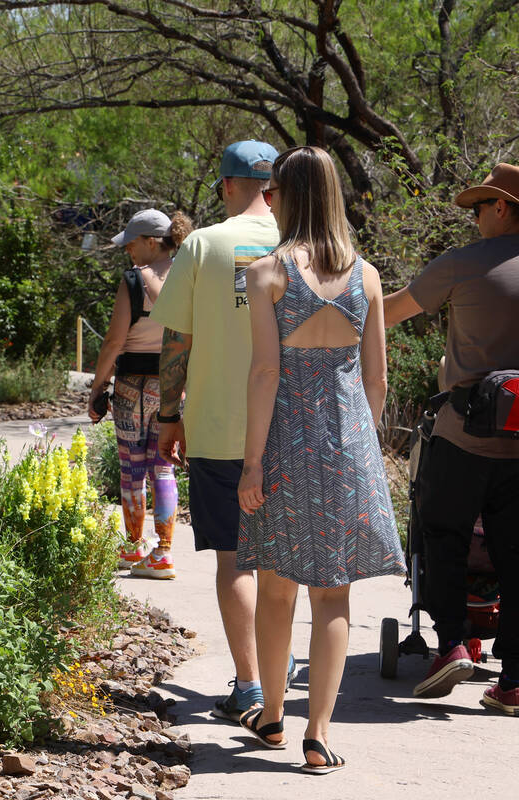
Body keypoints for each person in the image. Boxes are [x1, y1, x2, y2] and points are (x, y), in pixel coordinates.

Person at [236, 145, 406, 774]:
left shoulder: (265, 275)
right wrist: (363, 445)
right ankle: (318, 737)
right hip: (349, 444)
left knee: (277, 589)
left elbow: (264, 373)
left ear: (284, 195)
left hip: (285, 442)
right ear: (334, 195)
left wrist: (252, 463)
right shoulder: (365, 276)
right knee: (333, 598)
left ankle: (273, 717)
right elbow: (377, 380)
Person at [152, 139, 298, 722]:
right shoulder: (303, 249)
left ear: (228, 185)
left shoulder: (203, 245)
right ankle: (278, 664)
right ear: (275, 189)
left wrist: (168, 415)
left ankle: (251, 685)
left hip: (218, 427)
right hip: (292, 428)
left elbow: (176, 340)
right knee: (283, 562)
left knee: (235, 559)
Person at [382, 162, 519, 715]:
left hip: (463, 437)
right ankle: (513, 680)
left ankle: (452, 645)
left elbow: (388, 312)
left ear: (504, 207)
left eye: (481, 207)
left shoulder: (462, 265)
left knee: (443, 535)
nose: (476, 218)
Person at [88, 208, 194, 579]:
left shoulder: (134, 281)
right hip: (173, 388)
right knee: (163, 468)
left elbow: (115, 341)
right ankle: (163, 552)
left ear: (151, 242)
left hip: (132, 386)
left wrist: (98, 386)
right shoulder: (188, 277)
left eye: (132, 244)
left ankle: (134, 547)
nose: (129, 252)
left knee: (132, 471)